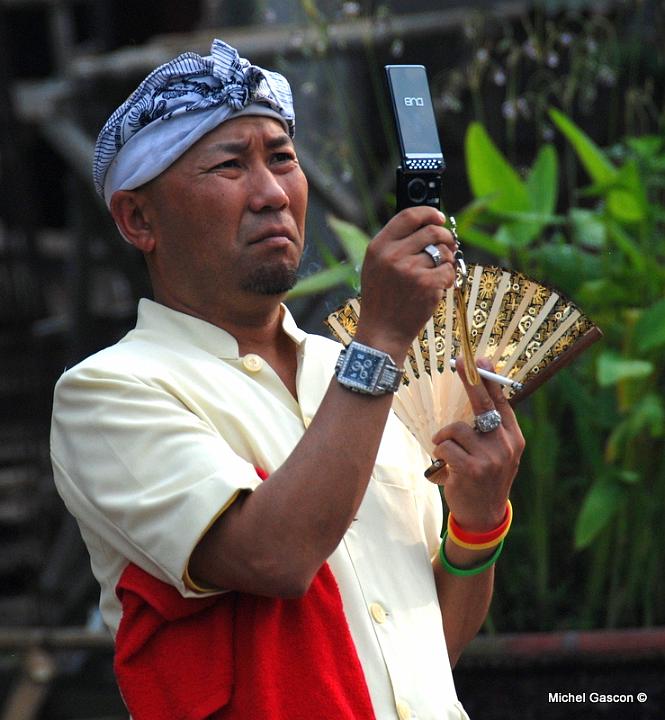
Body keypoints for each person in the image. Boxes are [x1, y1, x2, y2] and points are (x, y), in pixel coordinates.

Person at [50, 39, 524, 720]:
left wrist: (477, 524)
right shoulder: (110, 391)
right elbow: (274, 558)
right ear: (139, 219)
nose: (271, 193)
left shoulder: (349, 373)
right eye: (228, 165)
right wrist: (383, 339)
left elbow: (420, 655)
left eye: (281, 158)